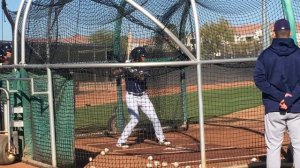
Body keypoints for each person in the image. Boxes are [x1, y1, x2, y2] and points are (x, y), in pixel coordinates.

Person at [253, 19, 300, 168]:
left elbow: (259, 79)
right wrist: (289, 98)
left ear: (275, 33)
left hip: (273, 107)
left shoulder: (265, 55)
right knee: (299, 145)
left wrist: (280, 97)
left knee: (273, 147)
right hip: (297, 107)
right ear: (290, 33)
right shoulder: (299, 53)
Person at [113, 46, 171, 148]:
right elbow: (115, 73)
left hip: (143, 97)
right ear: (137, 56)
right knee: (135, 120)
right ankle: (121, 141)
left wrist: (132, 71)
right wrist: (123, 68)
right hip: (131, 97)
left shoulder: (145, 66)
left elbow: (142, 77)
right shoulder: (127, 64)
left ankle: (161, 139)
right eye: (142, 56)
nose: (144, 58)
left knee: (154, 118)